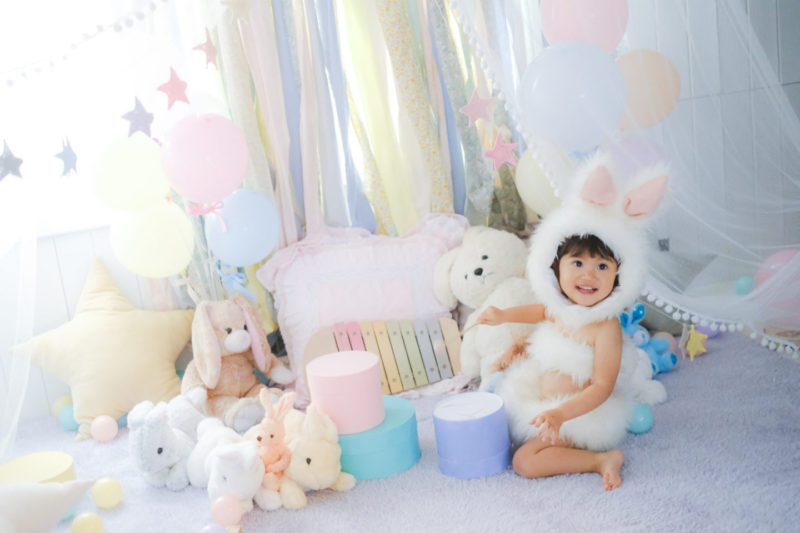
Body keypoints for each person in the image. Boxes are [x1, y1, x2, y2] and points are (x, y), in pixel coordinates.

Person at [477, 233, 626, 490]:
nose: (588, 275)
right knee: (496, 425)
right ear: (557, 269)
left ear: (618, 276)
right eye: (577, 263)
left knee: (524, 461)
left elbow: (603, 386)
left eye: (602, 266)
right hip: (548, 409)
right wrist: (503, 315)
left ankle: (599, 460)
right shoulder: (562, 307)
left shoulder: (606, 327)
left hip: (578, 417)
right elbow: (541, 312)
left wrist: (561, 414)